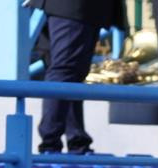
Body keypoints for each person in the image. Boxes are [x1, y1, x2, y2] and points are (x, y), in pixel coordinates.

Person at [28, 0, 127, 154]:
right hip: (74, 8)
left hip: (80, 9)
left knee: (72, 73)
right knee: (65, 70)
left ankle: (74, 141)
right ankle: (52, 142)